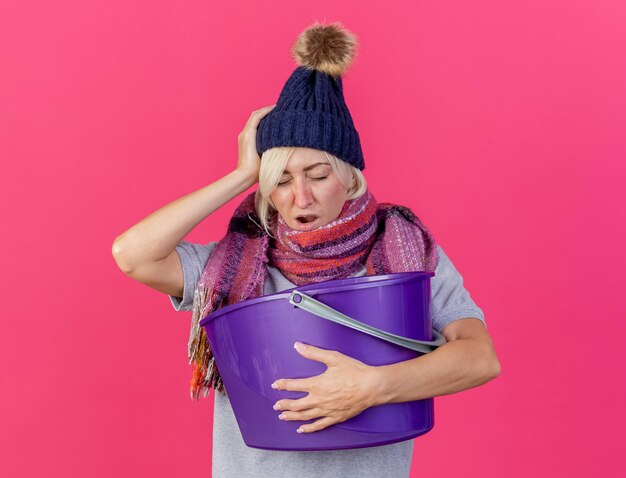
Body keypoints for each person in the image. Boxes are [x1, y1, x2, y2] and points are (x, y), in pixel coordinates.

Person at [112, 21, 501, 478]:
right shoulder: (236, 265)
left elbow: (479, 357)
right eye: (281, 179)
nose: (300, 197)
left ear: (350, 177)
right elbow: (133, 254)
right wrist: (241, 175)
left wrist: (372, 387)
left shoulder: (406, 250)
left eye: (317, 175)